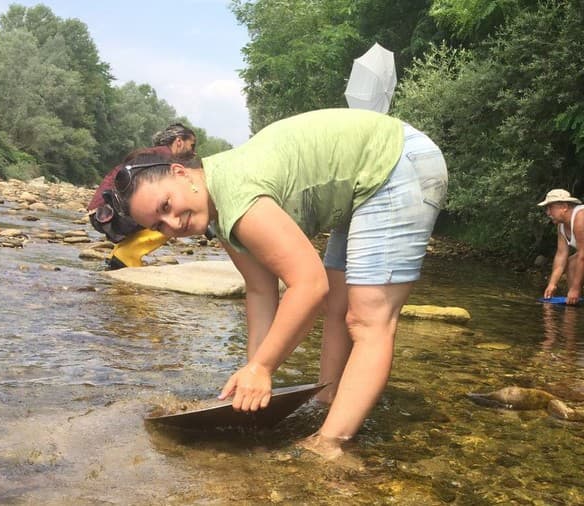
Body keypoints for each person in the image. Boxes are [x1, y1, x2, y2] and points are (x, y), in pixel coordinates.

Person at [110, 108, 447, 459]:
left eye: (166, 205)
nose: (172, 223)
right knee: (339, 309)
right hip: (363, 182)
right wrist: (252, 381)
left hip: (395, 165)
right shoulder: (216, 210)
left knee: (368, 320)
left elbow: (310, 284)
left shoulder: (236, 195)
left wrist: (262, 368)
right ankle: (326, 401)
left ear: (181, 173)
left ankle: (330, 445)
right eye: (159, 224)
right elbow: (260, 291)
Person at [87, 123, 198, 269]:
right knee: (176, 218)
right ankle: (126, 256)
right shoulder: (165, 160)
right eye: (192, 145)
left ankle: (116, 257)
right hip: (110, 214)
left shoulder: (153, 155)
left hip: (102, 213)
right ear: (179, 142)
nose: (194, 152)